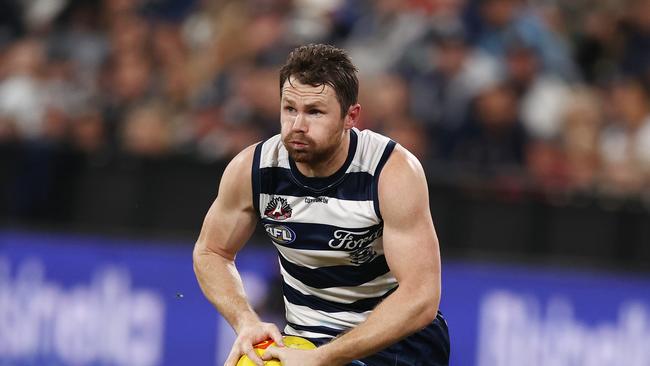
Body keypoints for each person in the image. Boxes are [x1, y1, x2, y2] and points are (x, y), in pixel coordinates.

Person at [193, 44, 450, 366]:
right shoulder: (253, 168)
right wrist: (245, 320)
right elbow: (211, 251)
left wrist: (324, 358)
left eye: (315, 112)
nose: (298, 125)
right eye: (289, 109)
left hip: (396, 346)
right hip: (307, 338)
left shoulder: (390, 171)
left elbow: (421, 297)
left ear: (350, 117)